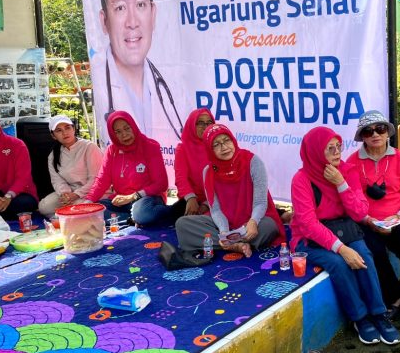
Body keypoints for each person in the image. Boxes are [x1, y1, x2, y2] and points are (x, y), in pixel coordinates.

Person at [290, 126, 400, 345]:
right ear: (315, 152)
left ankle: (378, 314)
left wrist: (341, 183)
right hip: (309, 239)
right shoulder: (301, 179)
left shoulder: (347, 171)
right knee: (338, 263)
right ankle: (360, 318)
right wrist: (341, 249)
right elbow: (308, 224)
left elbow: (359, 212)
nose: (337, 153)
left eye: (338, 147)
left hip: (344, 230)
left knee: (363, 255)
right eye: (329, 148)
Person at [346, 111, 400, 330]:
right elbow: (350, 199)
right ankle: (394, 297)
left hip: (397, 218)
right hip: (366, 220)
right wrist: (367, 219)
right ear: (362, 136)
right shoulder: (352, 162)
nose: (375, 134)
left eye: (380, 129)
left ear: (388, 133)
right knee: (371, 249)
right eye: (368, 131)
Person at [94, 0, 183, 145]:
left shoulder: (175, 84)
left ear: (153, 14)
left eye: (141, 4)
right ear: (104, 21)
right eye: (120, 7)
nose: (132, 22)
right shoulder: (98, 83)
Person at [175, 124, 285, 256]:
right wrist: (224, 232)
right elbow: (215, 210)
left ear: (233, 140)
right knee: (182, 225)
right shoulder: (208, 171)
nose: (224, 147)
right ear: (209, 149)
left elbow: (260, 202)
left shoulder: (252, 161)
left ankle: (228, 244)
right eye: (216, 144)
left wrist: (253, 221)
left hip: (251, 220)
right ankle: (235, 245)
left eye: (227, 140)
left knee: (269, 226)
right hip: (224, 222)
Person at [85, 111, 170, 226]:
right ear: (113, 135)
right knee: (94, 210)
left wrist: (133, 196)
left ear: (133, 127)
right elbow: (102, 180)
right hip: (121, 202)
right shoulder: (112, 151)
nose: (124, 134)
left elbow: (161, 184)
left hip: (146, 200)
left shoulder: (150, 146)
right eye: (118, 132)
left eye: (127, 128)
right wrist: (88, 202)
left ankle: (143, 216)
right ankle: (131, 219)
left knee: (142, 213)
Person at [38, 115, 103, 217]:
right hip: (71, 193)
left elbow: (96, 179)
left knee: (78, 207)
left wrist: (76, 194)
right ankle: (70, 214)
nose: (65, 133)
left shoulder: (89, 147)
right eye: (59, 130)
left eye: (67, 128)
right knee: (44, 206)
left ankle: (70, 214)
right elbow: (57, 180)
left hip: (91, 192)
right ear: (53, 136)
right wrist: (65, 195)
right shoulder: (53, 155)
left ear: (73, 129)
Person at [171, 109, 214, 218]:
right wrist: (190, 198)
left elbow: (222, 182)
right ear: (192, 125)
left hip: (216, 200)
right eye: (200, 123)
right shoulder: (183, 148)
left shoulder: (217, 145)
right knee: (172, 216)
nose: (205, 126)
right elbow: (181, 178)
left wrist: (207, 204)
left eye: (209, 122)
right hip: (191, 199)